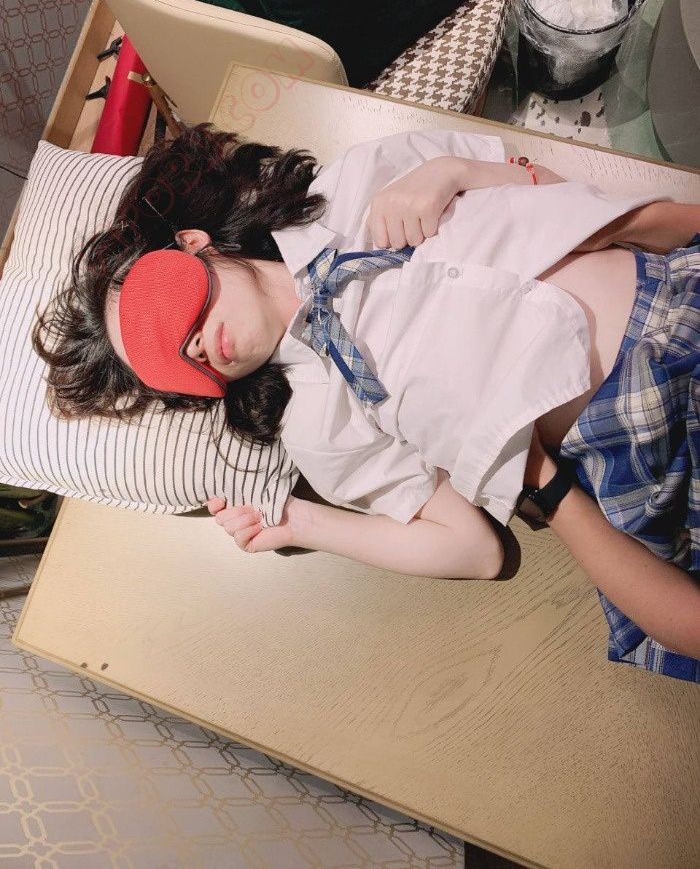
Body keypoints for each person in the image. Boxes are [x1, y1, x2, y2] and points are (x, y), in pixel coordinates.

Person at [33, 124, 700, 681]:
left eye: (166, 313)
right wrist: (299, 524)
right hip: (638, 435)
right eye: (173, 364)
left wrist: (458, 170)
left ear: (192, 244)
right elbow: (476, 550)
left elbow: (574, 200)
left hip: (676, 279)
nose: (192, 347)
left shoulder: (358, 182)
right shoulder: (318, 426)